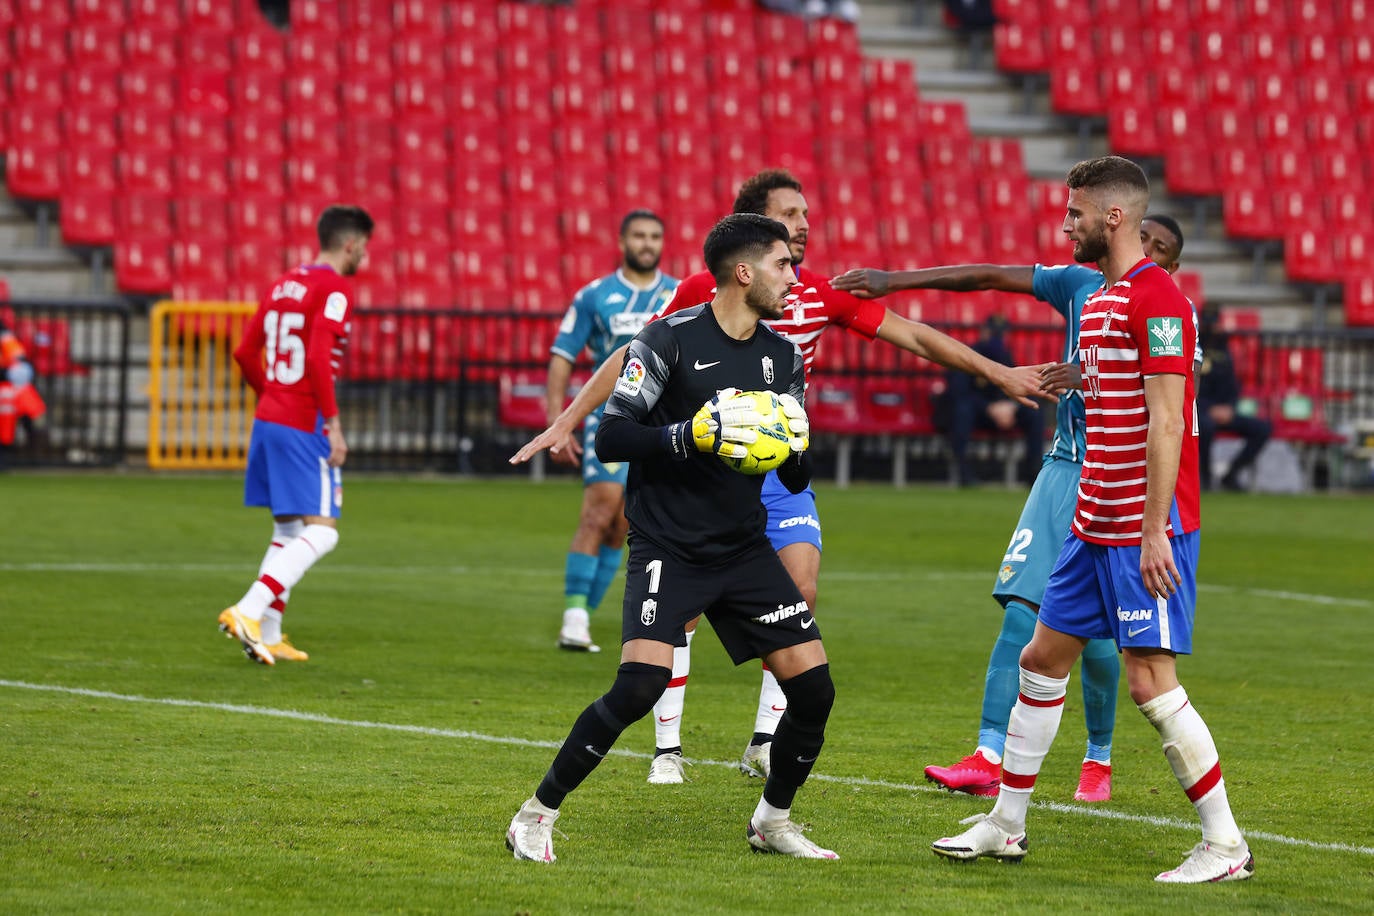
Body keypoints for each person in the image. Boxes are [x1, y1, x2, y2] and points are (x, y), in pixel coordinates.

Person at [510, 169, 1048, 785]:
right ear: (757, 232)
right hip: (703, 463)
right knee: (677, 617)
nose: (804, 225)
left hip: (775, 465)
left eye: (807, 214)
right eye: (790, 214)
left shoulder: (817, 294)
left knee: (802, 592)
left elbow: (916, 335)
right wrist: (571, 416)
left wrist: (999, 373)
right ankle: (667, 746)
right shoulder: (700, 291)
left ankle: (765, 741)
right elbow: (636, 356)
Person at [930, 156, 1253, 884]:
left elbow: (1167, 420)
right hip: (1091, 516)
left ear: (1112, 217)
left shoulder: (1159, 299)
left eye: (1074, 214)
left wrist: (1152, 531)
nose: (1064, 226)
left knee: (1150, 682)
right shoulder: (1103, 300)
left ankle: (1226, 846)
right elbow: (1121, 386)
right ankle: (1005, 825)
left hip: (1142, 523)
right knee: (1040, 661)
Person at [506, 213, 838, 862]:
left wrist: (791, 439)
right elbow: (613, 435)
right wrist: (692, 434)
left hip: (744, 549)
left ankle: (772, 821)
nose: (793, 275)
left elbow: (796, 473)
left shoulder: (782, 356)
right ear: (744, 272)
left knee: (814, 689)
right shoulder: (666, 341)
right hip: (669, 546)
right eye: (781, 264)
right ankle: (535, 815)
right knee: (638, 687)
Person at [832, 213, 1191, 803]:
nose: (1143, 248)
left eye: (1159, 247)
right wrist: (895, 281)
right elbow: (989, 277)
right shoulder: (1079, 285)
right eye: (1142, 235)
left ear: (1170, 264)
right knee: (1022, 611)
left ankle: (1097, 758)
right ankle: (987, 754)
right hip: (1062, 469)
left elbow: (1177, 392)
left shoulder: (1168, 306)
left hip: (1122, 478)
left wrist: (1094, 373)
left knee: (1102, 639)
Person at [217, 205, 374, 665]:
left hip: (269, 417)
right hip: (303, 421)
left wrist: (272, 395)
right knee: (323, 533)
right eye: (364, 247)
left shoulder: (284, 282)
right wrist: (333, 423)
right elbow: (320, 355)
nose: (366, 256)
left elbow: (245, 352)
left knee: (287, 529)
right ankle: (247, 610)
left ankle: (269, 633)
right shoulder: (335, 288)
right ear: (350, 245)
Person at [548, 210, 680, 654]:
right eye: (639, 235)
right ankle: (573, 618)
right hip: (611, 418)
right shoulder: (594, 296)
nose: (647, 243)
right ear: (622, 240)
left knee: (622, 522)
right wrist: (557, 421)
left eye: (655, 236)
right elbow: (563, 356)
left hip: (659, 424)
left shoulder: (679, 293)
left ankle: (586, 609)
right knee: (599, 508)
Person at [933, 313, 1043, 487]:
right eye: (994, 334)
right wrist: (989, 408)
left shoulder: (1005, 356)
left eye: (1001, 335)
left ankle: (1033, 475)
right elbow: (959, 392)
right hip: (977, 413)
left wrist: (1011, 406)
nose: (998, 339)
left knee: (1034, 412)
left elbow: (1016, 385)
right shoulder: (969, 355)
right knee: (962, 411)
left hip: (1002, 413)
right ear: (984, 333)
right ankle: (964, 474)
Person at [1195, 304, 1271, 491]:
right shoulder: (1194, 346)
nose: (1212, 328)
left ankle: (1232, 474)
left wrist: (1230, 407)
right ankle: (1205, 478)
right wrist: (1208, 409)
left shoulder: (1224, 348)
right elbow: (1191, 386)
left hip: (1224, 410)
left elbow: (1232, 384)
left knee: (1262, 429)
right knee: (1205, 427)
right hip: (1200, 410)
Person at [0, 314, 47, 464]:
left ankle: (33, 451)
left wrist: (19, 368)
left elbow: (19, 358)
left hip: (5, 383)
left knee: (25, 397)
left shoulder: (3, 333)